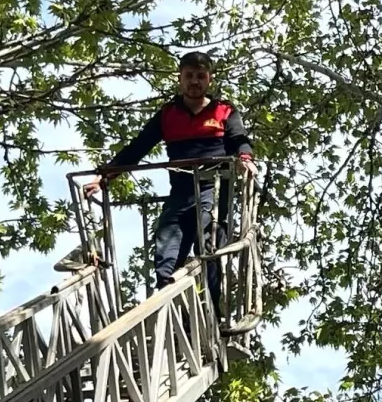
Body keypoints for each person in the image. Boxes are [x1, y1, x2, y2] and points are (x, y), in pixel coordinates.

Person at [83, 51, 257, 305]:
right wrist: (104, 178)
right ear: (180, 79)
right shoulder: (168, 114)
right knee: (167, 251)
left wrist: (245, 160)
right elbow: (137, 148)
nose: (194, 81)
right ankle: (173, 310)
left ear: (209, 79)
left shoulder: (224, 110)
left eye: (201, 76)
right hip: (182, 192)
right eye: (189, 76)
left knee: (208, 247)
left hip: (214, 188)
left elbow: (240, 139)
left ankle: (211, 314)